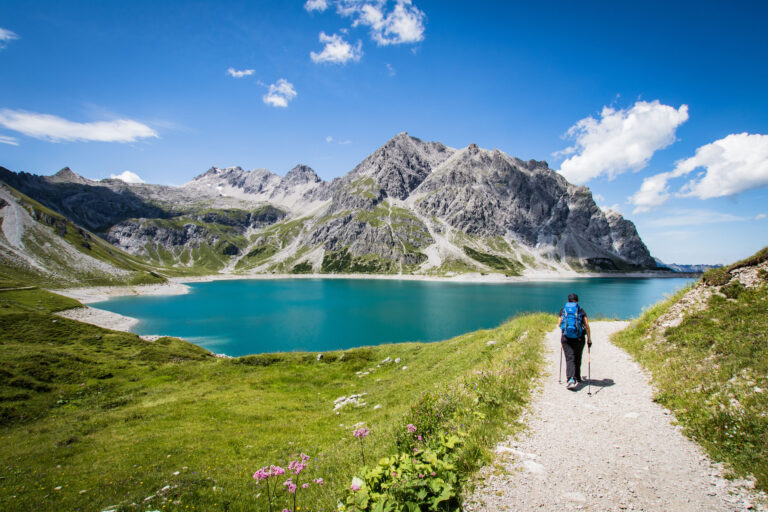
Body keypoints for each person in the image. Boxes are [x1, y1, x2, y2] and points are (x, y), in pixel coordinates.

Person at [558, 293, 591, 390]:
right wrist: (589, 339)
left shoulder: (563, 310)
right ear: (577, 301)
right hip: (579, 338)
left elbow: (559, 324)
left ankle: (571, 379)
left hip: (566, 338)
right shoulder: (581, 310)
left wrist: (565, 328)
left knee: (569, 358)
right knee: (577, 356)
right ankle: (577, 376)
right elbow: (587, 326)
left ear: (568, 300)